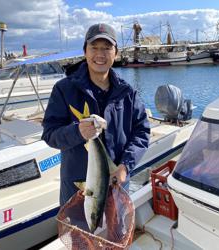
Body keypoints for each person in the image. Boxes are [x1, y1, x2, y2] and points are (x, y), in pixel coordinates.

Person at [41, 23, 150, 206]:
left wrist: (125, 166)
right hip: (79, 190)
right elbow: (50, 134)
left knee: (115, 232)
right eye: (94, 47)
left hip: (118, 187)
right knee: (81, 233)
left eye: (107, 48)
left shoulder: (127, 92)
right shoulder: (64, 89)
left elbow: (142, 132)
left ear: (116, 53)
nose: (100, 54)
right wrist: (77, 132)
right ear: (85, 51)